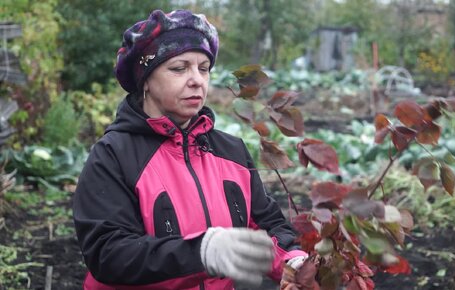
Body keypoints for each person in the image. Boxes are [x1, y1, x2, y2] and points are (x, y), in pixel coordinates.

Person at [73, 9, 307, 290]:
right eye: (179, 68)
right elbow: (109, 254)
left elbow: (268, 225)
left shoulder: (230, 151)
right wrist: (203, 252)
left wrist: (291, 260)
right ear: (145, 79)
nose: (197, 79)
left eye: (203, 68)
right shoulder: (113, 155)